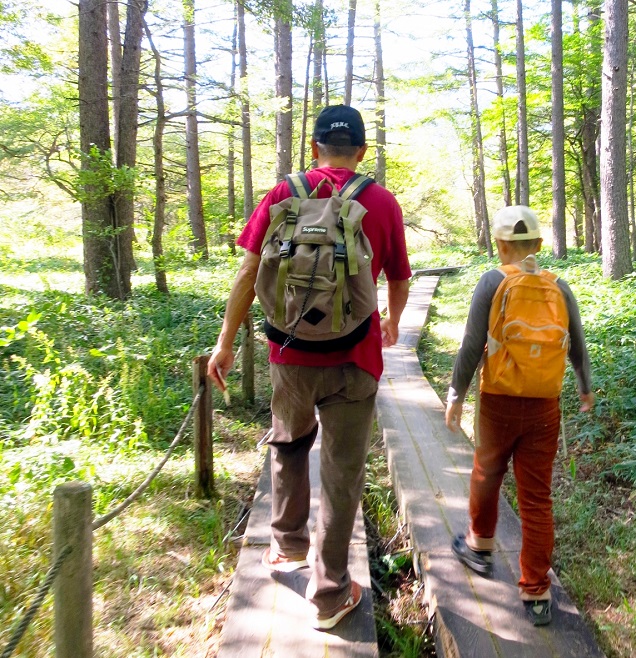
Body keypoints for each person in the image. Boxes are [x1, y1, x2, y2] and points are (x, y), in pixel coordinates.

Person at [208, 105, 411, 630]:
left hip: (290, 354)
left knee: (290, 442)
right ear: (362, 151)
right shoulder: (381, 200)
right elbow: (399, 276)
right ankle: (329, 594)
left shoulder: (284, 193)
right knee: (342, 473)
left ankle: (286, 545)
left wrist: (225, 342)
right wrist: (391, 322)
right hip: (354, 358)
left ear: (314, 146)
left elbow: (249, 271)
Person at [444, 205, 594, 627]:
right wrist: (584, 389)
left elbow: (472, 345)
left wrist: (456, 394)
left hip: (498, 401)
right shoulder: (559, 286)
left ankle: (479, 546)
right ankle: (537, 591)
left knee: (486, 471)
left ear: (499, 244)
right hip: (546, 406)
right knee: (536, 497)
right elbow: (577, 345)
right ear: (540, 246)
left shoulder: (492, 280)